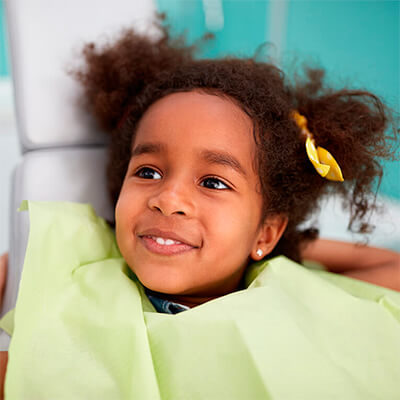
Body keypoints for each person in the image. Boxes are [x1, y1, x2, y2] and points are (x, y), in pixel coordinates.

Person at [0, 18, 399, 398]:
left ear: (266, 231)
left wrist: (276, 245)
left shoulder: (287, 291)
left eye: (212, 182)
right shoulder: (75, 256)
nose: (168, 199)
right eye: (149, 172)